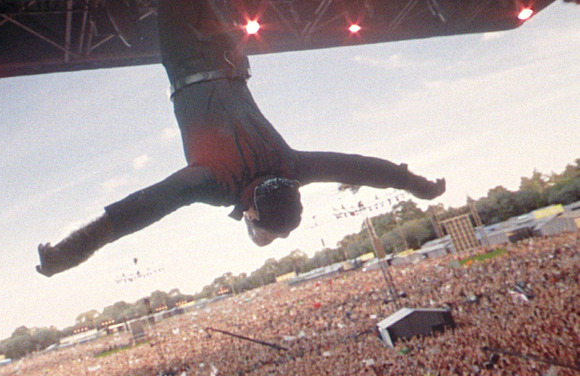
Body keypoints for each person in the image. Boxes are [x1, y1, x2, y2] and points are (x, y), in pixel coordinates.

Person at [36, 0, 445, 277]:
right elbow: (139, 210)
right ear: (249, 213)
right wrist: (70, 253)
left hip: (231, 56)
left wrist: (418, 186)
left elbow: (362, 168)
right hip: (184, 63)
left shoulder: (295, 168)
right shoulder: (216, 187)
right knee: (143, 23)